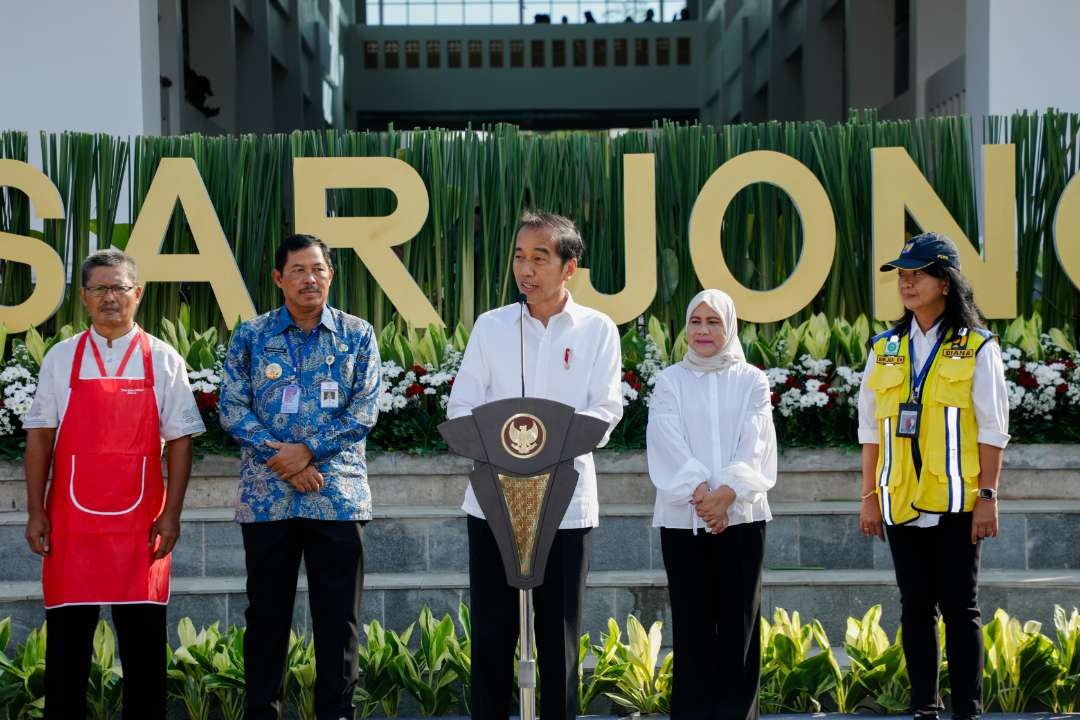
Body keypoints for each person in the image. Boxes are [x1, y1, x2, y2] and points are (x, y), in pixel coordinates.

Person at [447, 211, 623, 720]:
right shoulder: (491, 326)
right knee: (492, 639)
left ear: (569, 267)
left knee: (559, 640)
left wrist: (548, 448)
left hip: (566, 508)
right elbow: (461, 408)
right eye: (519, 256)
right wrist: (506, 451)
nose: (525, 269)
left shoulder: (597, 330)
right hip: (494, 506)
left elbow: (605, 410)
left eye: (539, 258)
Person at [23, 249, 205, 720]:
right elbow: (40, 438)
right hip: (71, 521)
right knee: (67, 646)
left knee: (144, 645)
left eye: (119, 288)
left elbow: (181, 442)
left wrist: (173, 513)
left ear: (137, 294)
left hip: (141, 521)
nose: (110, 298)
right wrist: (36, 510)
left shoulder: (163, 360)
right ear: (84, 297)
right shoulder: (62, 359)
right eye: (100, 288)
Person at [220, 234, 381, 720]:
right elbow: (232, 408)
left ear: (330, 275)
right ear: (278, 278)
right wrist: (285, 461)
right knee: (266, 619)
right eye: (298, 270)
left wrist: (308, 453)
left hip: (337, 498)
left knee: (339, 622)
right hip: (267, 501)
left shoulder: (358, 335)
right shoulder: (251, 336)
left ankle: (336, 714)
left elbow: (364, 410)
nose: (309, 279)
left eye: (318, 269)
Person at [858, 232, 1009, 720]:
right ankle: (924, 706)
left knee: (962, 609)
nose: (907, 282)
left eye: (917, 273)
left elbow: (993, 428)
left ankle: (967, 709)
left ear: (945, 282)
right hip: (901, 500)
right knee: (914, 607)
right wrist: (868, 495)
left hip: (958, 501)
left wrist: (988, 496)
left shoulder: (978, 346)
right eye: (902, 274)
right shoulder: (884, 347)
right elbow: (869, 431)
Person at [646, 289, 776, 720]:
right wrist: (702, 495)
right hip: (685, 521)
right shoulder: (670, 381)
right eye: (696, 321)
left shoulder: (752, 379)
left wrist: (727, 495)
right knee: (692, 629)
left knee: (741, 627)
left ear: (730, 326)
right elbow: (666, 440)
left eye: (713, 321)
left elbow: (756, 441)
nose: (703, 331)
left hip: (742, 519)